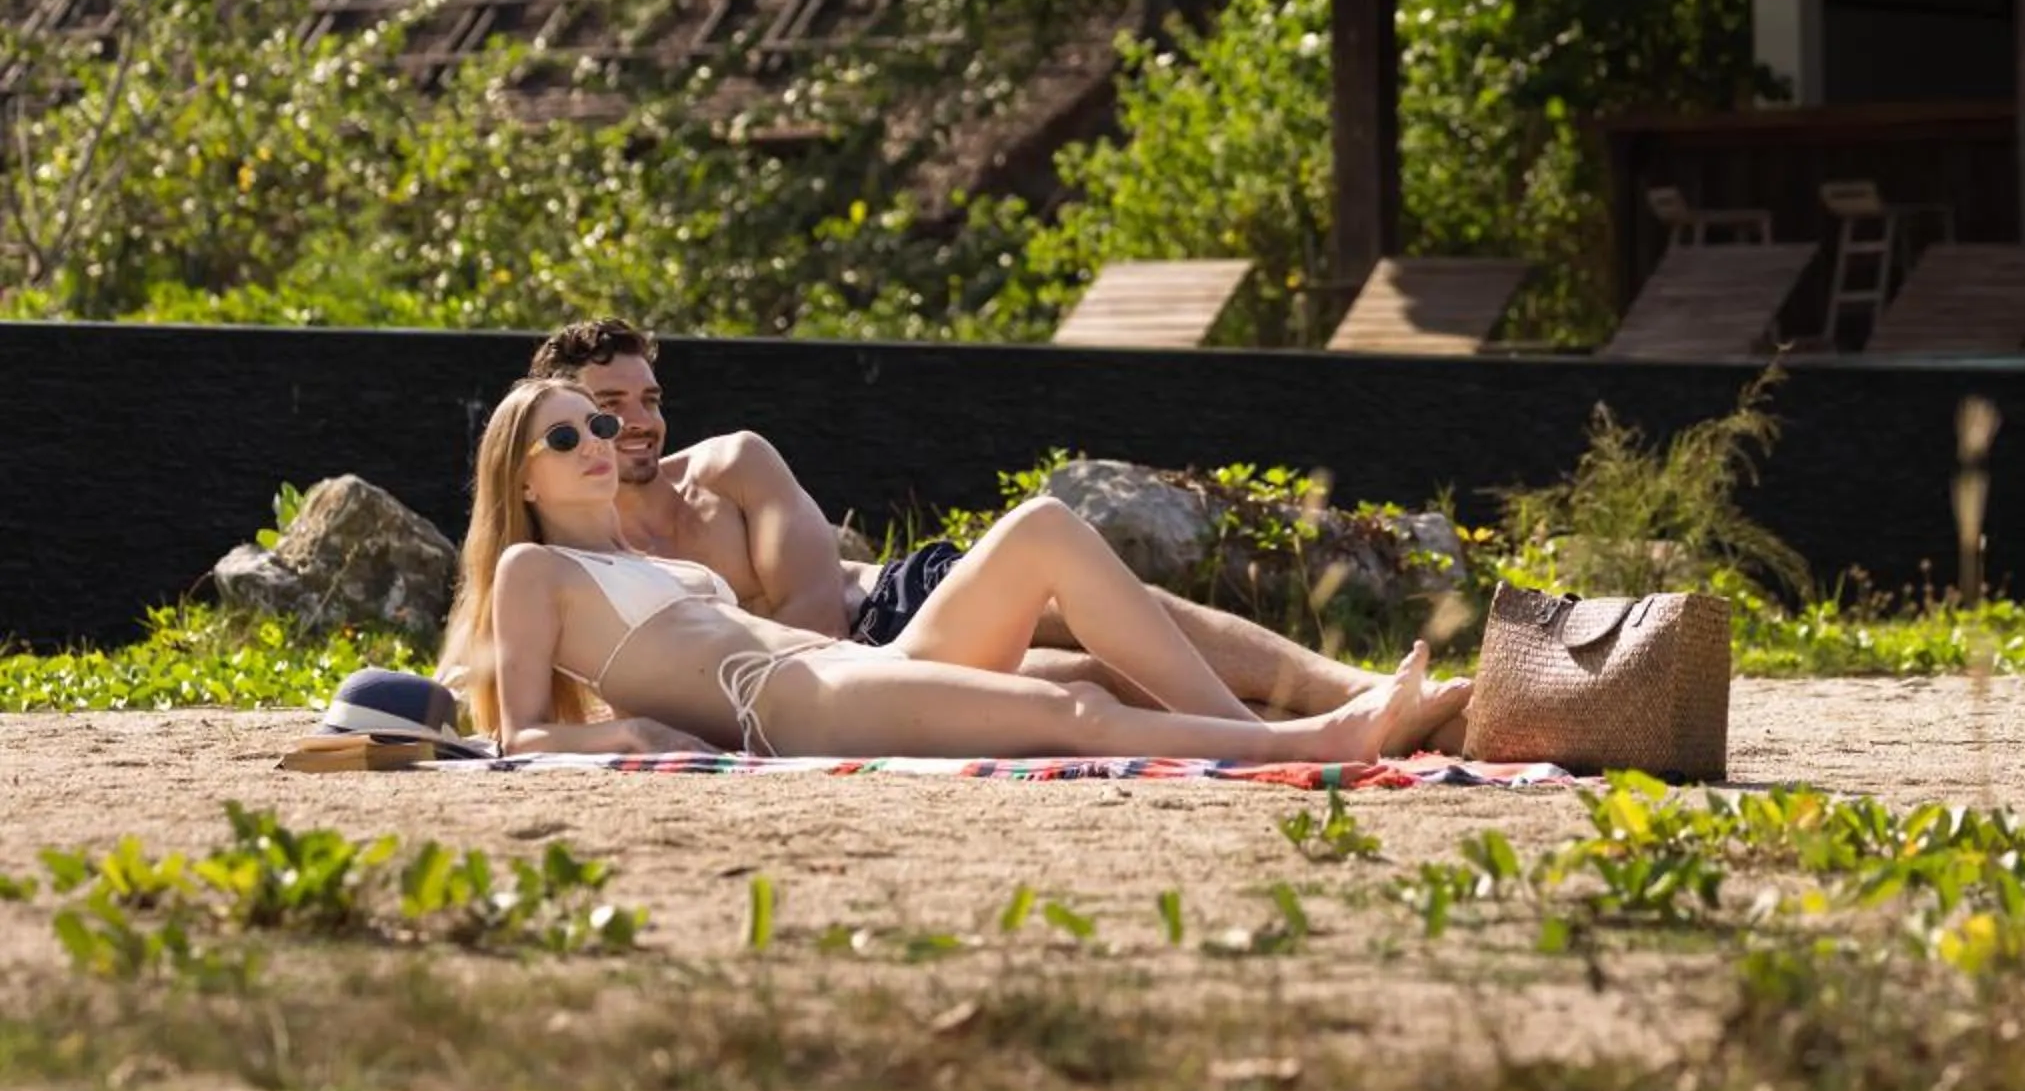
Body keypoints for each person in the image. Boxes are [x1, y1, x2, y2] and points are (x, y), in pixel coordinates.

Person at [523, 317, 1468, 750]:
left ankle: (1340, 692)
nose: (630, 427)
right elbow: (501, 685)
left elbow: (812, 600)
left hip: (883, 613)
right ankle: (1329, 736)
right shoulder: (568, 558)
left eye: (647, 402)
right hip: (822, 690)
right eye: (602, 413)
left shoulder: (728, 466)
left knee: (1093, 580)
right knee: (1090, 678)